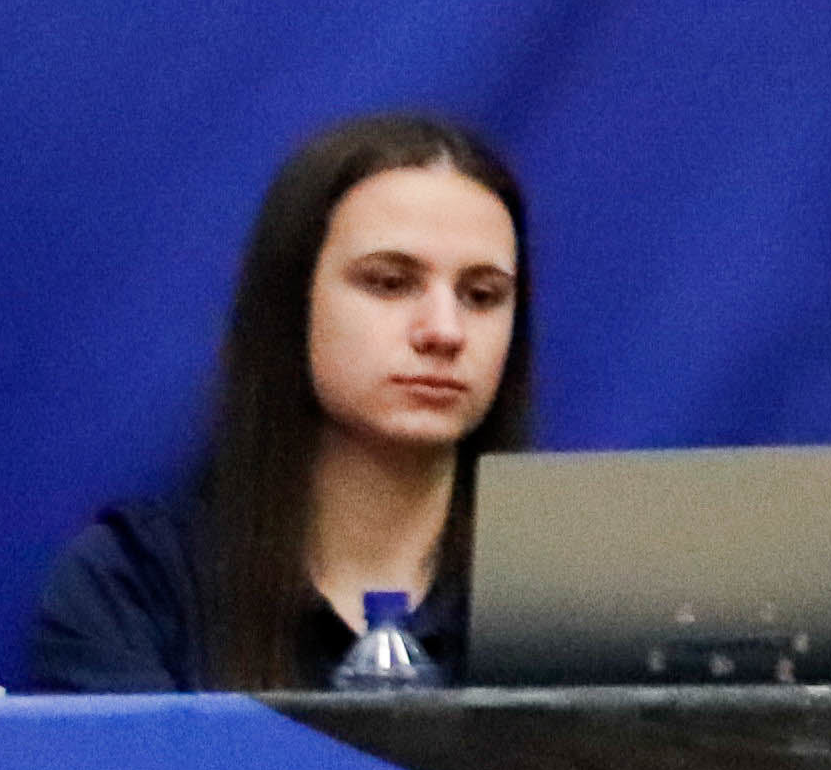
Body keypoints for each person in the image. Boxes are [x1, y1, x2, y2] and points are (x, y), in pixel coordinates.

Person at [28, 112, 532, 692]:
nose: (444, 331)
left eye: (481, 295)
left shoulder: (575, 596)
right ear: (291, 305)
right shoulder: (137, 588)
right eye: (390, 282)